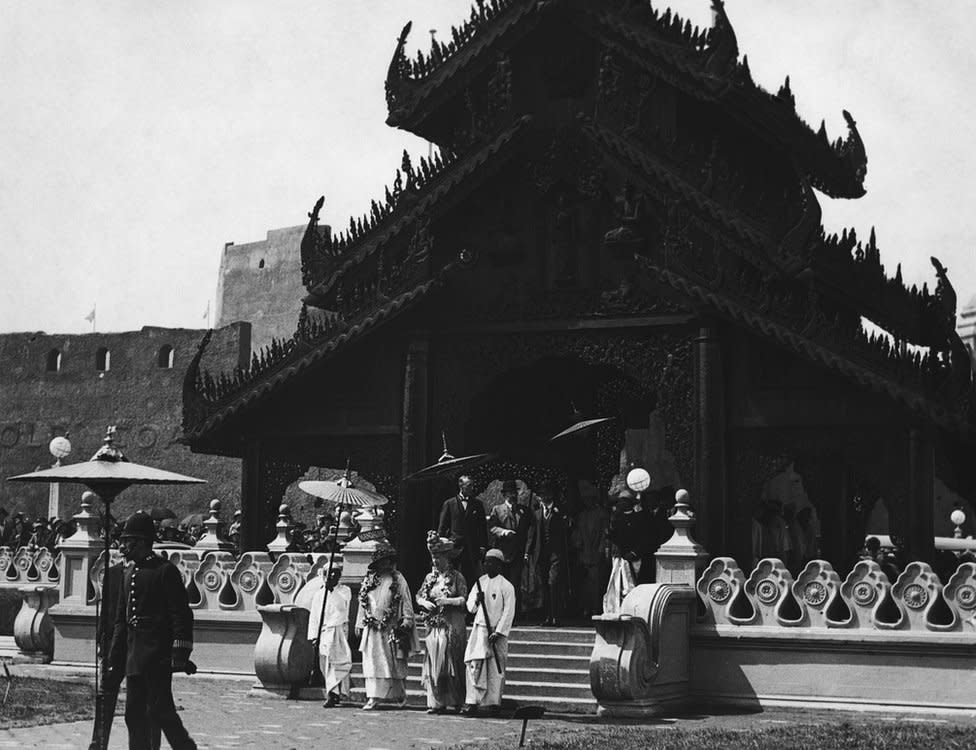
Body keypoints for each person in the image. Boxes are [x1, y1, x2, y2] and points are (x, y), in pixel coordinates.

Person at [107, 512, 196, 750]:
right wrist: (114, 655)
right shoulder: (128, 573)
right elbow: (121, 621)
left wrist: (180, 654)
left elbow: (181, 614)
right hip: (135, 655)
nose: (123, 545)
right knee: (133, 714)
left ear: (141, 541)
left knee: (161, 712)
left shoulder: (165, 571)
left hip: (157, 656)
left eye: (127, 540)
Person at [355, 542, 419, 710]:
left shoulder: (398, 579)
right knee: (373, 662)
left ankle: (399, 696)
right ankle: (373, 696)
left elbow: (405, 600)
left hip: (391, 626)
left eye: (387, 561)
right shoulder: (370, 581)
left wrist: (407, 619)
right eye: (381, 561)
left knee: (394, 663)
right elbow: (363, 603)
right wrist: (360, 622)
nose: (385, 564)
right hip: (372, 628)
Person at [415, 532, 469, 714]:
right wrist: (424, 602)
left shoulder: (456, 577)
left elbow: (464, 600)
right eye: (433, 557)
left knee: (451, 662)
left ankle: (456, 700)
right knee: (434, 662)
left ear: (447, 558)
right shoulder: (430, 578)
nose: (435, 561)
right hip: (434, 626)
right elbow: (419, 595)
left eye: (439, 557)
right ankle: (437, 701)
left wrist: (448, 601)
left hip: (451, 624)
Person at [462, 548, 515, 717]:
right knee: (474, 666)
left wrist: (498, 632)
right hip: (480, 630)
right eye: (486, 562)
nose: (488, 565)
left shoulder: (506, 586)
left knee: (494, 669)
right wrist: (476, 601)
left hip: (495, 633)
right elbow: (470, 607)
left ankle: (493, 703)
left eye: (492, 562)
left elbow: (508, 612)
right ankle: (472, 701)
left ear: (499, 565)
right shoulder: (480, 582)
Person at [308, 556, 352, 708]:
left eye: (336, 573)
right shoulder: (319, 594)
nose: (333, 576)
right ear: (324, 574)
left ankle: (335, 693)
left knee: (339, 662)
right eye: (330, 573)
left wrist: (331, 590)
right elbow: (314, 616)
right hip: (324, 632)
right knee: (326, 664)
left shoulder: (344, 591)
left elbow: (342, 607)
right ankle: (332, 692)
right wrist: (314, 636)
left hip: (338, 631)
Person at [488, 479, 534, 614]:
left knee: (515, 584)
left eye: (514, 493)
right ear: (504, 495)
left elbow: (530, 533)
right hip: (502, 554)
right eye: (509, 493)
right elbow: (491, 527)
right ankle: (500, 612)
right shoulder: (497, 510)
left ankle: (514, 613)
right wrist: (503, 532)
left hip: (518, 554)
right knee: (501, 584)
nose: (512, 495)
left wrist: (527, 552)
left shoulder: (525, 511)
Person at [527, 480, 569, 626]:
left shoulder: (560, 510)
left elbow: (566, 530)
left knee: (554, 583)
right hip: (541, 553)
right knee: (544, 585)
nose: (544, 497)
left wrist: (560, 515)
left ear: (552, 495)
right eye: (542, 495)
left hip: (556, 554)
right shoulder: (537, 513)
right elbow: (532, 533)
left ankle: (556, 615)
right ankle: (547, 616)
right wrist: (528, 551)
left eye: (546, 494)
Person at [437, 475, 489, 585]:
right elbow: (442, 528)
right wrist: (442, 547)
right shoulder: (449, 504)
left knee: (471, 578)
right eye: (469, 486)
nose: (472, 488)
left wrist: (483, 546)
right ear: (461, 486)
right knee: (452, 578)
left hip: (472, 548)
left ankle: (469, 601)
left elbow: (482, 527)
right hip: (454, 548)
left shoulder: (478, 505)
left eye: (472, 485)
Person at [572, 487, 607, 617]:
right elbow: (578, 534)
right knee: (585, 583)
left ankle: (595, 607)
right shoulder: (582, 515)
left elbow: (605, 534)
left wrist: (601, 551)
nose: (587, 502)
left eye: (589, 499)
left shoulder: (601, 514)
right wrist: (578, 545)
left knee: (596, 582)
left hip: (596, 553)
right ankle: (585, 607)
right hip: (584, 553)